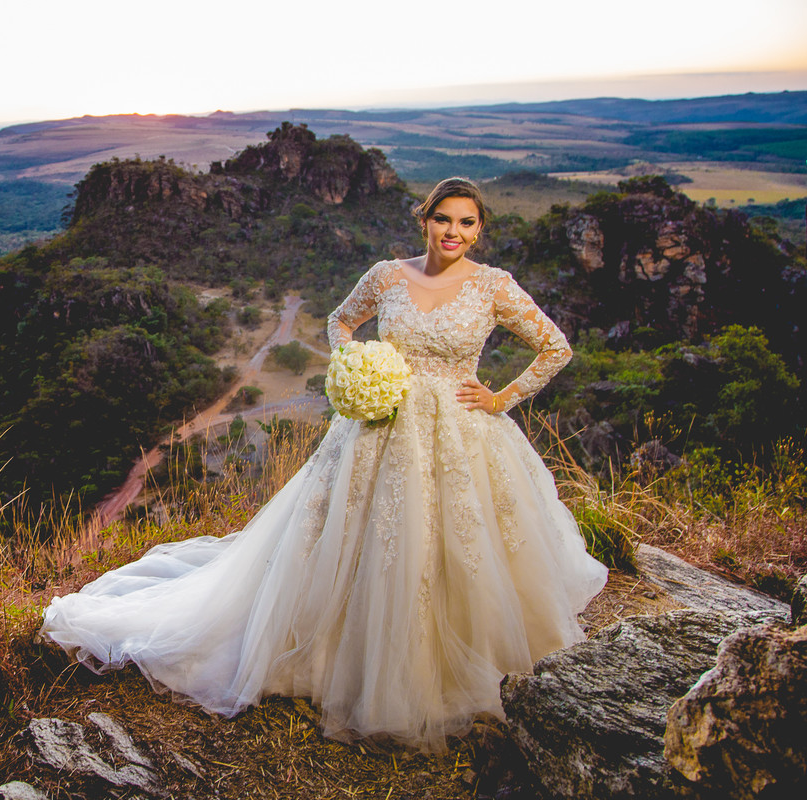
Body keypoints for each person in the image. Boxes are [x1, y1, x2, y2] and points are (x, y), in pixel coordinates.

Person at [41, 177, 608, 751]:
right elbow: (339, 323)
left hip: (463, 434)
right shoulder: (388, 275)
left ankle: (458, 653)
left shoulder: (494, 286)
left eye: (466, 222)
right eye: (443, 220)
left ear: (479, 229)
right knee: (361, 534)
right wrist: (360, 370)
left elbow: (555, 346)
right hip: (379, 426)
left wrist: (499, 398)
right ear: (424, 220)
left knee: (457, 538)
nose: (453, 232)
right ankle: (337, 651)